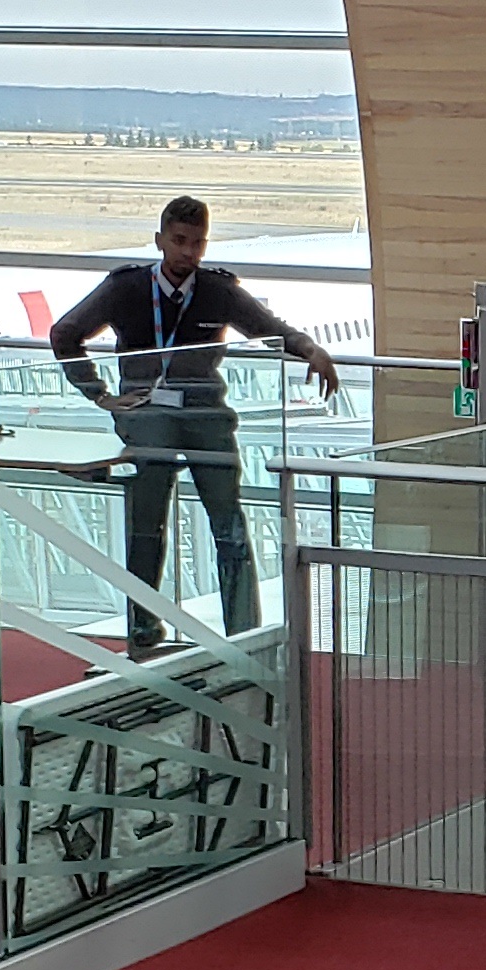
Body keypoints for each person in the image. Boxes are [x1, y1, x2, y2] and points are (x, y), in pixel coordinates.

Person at [50, 198, 343, 657]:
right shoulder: (126, 288)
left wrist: (310, 350)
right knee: (146, 528)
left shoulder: (217, 290)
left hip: (206, 417)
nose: (189, 253)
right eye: (180, 242)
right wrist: (100, 394)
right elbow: (64, 334)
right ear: (160, 240)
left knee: (229, 526)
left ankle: (244, 636)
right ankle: (143, 632)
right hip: (148, 418)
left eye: (198, 243)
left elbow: (269, 328)